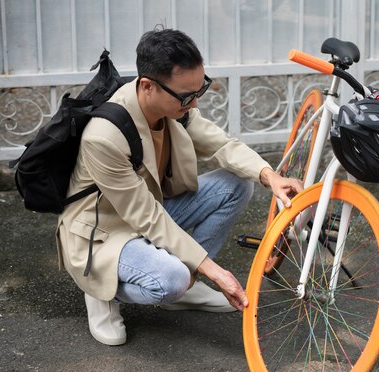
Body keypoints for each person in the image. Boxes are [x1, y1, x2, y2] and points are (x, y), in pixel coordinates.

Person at [56, 28, 303, 346]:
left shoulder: (173, 106)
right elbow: (146, 217)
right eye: (187, 96)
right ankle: (100, 287)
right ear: (147, 86)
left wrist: (271, 176)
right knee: (171, 278)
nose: (195, 101)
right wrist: (215, 270)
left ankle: (186, 282)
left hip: (151, 207)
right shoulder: (104, 137)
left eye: (200, 89)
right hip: (105, 232)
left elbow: (221, 145)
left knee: (238, 183)